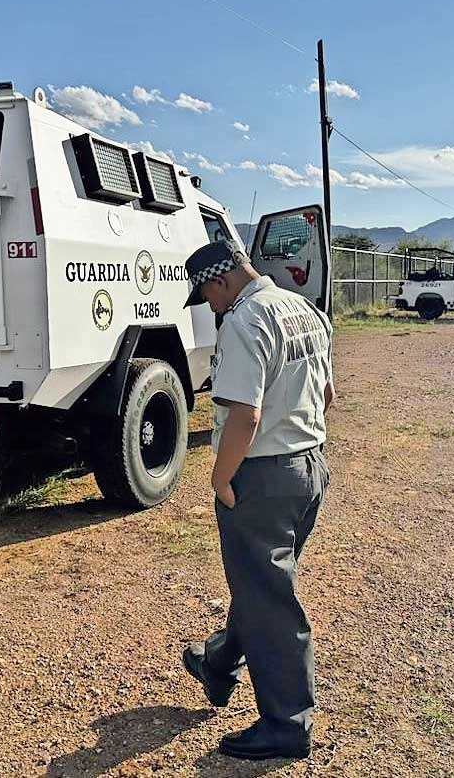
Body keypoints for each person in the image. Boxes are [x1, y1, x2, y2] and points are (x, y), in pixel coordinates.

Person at [178, 241, 335, 761]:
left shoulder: (246, 321)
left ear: (220, 282)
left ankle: (287, 725)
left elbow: (243, 415)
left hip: (263, 475)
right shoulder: (303, 308)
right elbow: (328, 393)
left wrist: (222, 480)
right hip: (308, 466)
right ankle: (219, 660)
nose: (211, 307)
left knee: (270, 600)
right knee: (262, 583)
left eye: (206, 296)